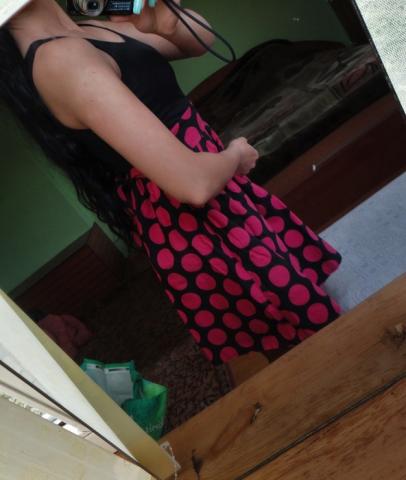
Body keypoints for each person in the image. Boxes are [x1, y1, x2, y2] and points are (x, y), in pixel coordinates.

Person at [1, 0, 342, 366]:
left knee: (301, 318)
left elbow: (200, 40)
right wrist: (235, 155)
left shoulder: (83, 30)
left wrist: (168, 24)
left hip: (217, 194)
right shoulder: (58, 59)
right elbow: (193, 184)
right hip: (197, 223)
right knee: (307, 343)